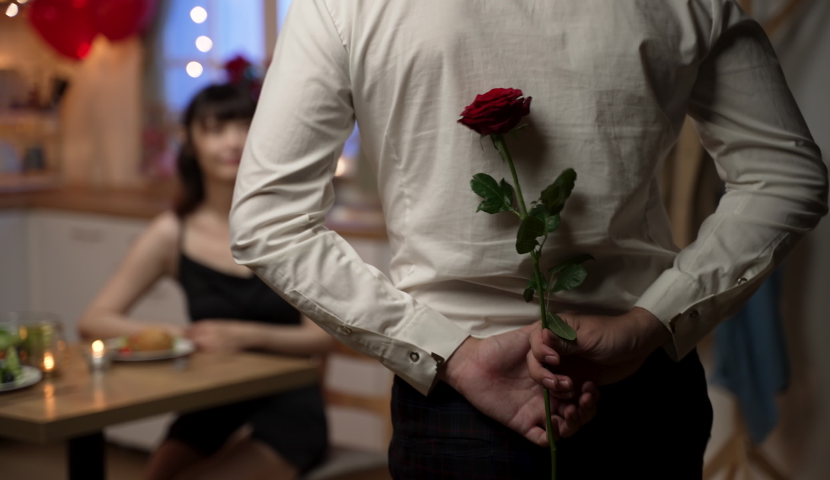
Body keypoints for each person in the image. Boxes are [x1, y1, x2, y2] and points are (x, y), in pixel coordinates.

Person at [229, 1, 828, 479]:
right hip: (637, 377)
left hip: (466, 396)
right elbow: (787, 175)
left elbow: (267, 219)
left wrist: (444, 349)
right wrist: (654, 319)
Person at [79, 84, 332, 480]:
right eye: (215, 129)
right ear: (190, 142)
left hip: (289, 403)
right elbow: (94, 319)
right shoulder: (171, 232)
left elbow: (322, 337)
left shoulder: (290, 227)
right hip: (212, 397)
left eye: (243, 127)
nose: (232, 142)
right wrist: (177, 336)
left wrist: (244, 335)